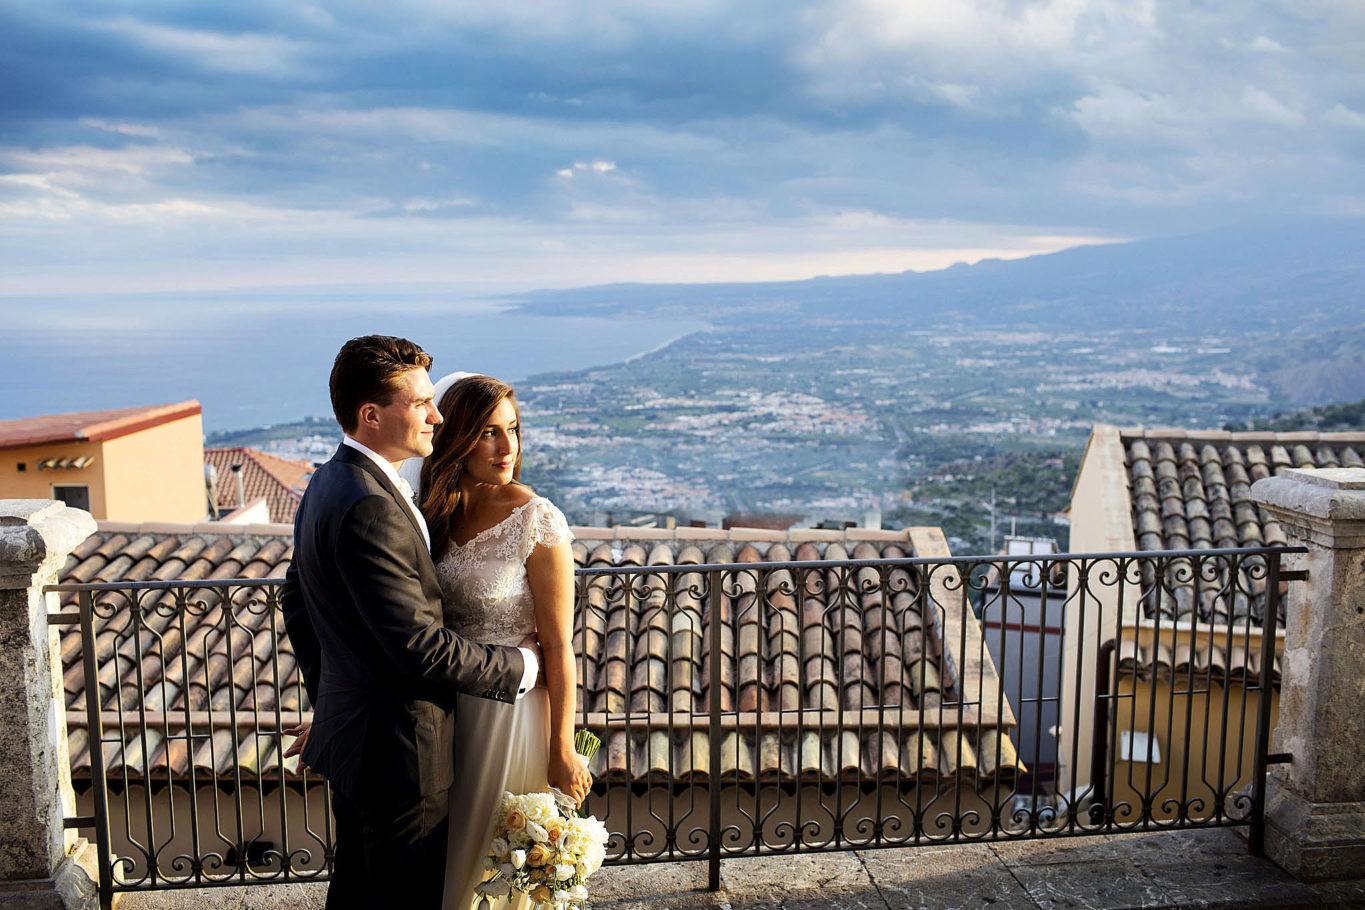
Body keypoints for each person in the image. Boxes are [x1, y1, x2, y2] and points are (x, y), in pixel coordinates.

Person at [280, 336, 542, 910]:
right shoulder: (373, 505)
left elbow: (295, 602)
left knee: (356, 892)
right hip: (400, 751)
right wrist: (521, 664)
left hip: (355, 738)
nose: (437, 414)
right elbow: (422, 648)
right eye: (421, 402)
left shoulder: (327, 482)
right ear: (371, 415)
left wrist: (332, 705)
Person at [401, 373, 592, 910]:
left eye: (513, 429)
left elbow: (558, 646)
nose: (507, 446)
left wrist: (561, 749)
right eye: (489, 432)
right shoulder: (432, 512)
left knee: (497, 873)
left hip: (513, 716)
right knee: (446, 861)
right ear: (457, 435)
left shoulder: (537, 521)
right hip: (443, 714)